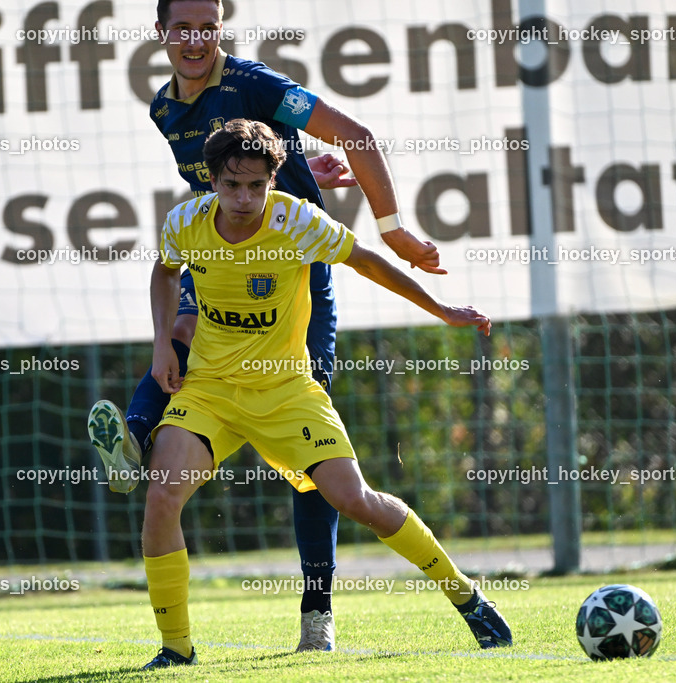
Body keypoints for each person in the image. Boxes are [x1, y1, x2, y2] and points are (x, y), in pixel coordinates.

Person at [88, 0, 445, 653]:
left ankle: (317, 611)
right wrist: (301, 164)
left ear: (220, 28)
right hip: (217, 254)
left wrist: (393, 229)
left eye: (208, 24)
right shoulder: (163, 109)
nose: (196, 38)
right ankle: (134, 444)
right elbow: (236, 170)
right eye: (182, 26)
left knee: (314, 464)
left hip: (293, 274)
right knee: (179, 336)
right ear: (161, 32)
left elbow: (355, 135)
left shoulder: (257, 84)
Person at [136, 119, 511, 669]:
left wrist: (442, 310)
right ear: (212, 180)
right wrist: (162, 347)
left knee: (354, 501)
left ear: (273, 181)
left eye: (257, 185)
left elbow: (366, 261)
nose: (244, 198)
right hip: (211, 389)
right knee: (162, 496)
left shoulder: (297, 221)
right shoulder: (185, 222)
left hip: (288, 391)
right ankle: (175, 648)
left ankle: (465, 595)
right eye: (232, 184)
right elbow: (165, 272)